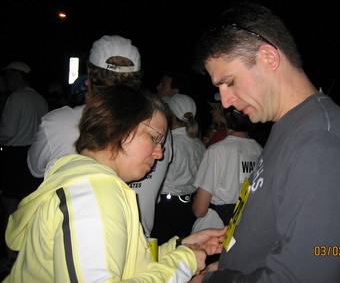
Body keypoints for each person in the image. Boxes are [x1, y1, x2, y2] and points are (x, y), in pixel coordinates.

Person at [191, 1, 340, 282]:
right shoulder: (287, 127)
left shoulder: (320, 141)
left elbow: (306, 276)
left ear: (268, 57)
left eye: (230, 82)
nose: (226, 101)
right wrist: (225, 267)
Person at [4, 85, 227, 282]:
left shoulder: (92, 184)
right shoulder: (92, 194)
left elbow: (126, 262)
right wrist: (184, 262)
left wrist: (182, 247)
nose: (159, 153)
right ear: (118, 128)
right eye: (154, 138)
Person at [27, 35, 172, 237]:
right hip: (141, 246)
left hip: (69, 247)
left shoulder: (56, 124)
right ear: (138, 78)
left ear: (89, 75)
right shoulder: (158, 128)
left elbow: (36, 172)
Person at [192, 106, 262, 233]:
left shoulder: (217, 150)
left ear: (227, 116)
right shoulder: (260, 150)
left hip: (213, 230)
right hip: (244, 228)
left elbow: (199, 210)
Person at [152, 94, 206, 244]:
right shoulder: (199, 144)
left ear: (171, 115)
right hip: (187, 207)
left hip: (166, 207)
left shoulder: (168, 143)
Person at [0, 61, 48, 215]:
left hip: (15, 157)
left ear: (18, 75)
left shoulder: (16, 98)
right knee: (28, 205)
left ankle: (11, 237)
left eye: (8, 75)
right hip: (33, 155)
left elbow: (8, 132)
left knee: (10, 205)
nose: (5, 79)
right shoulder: (40, 99)